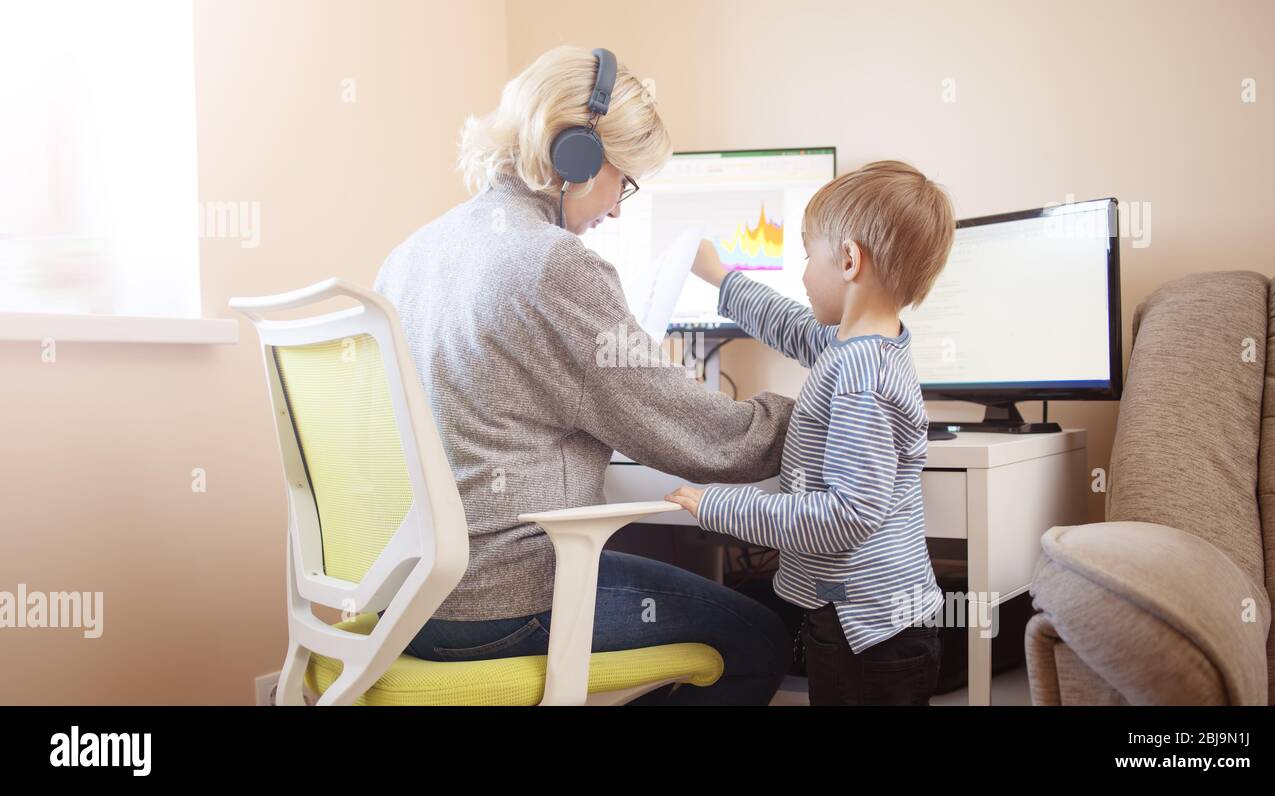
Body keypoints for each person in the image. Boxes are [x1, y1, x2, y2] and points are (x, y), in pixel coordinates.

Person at [373, 46, 792, 704]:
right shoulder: (551, 264)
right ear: (574, 155)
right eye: (622, 182)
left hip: (402, 601)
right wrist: (824, 411)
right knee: (761, 637)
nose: (620, 209)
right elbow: (710, 440)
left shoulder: (411, 252)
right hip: (503, 604)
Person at [667, 161, 956, 706]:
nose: (801, 273)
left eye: (806, 255)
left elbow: (845, 515)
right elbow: (788, 322)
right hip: (859, 623)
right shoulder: (856, 345)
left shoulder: (861, 376)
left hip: (872, 638)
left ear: (848, 260)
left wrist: (719, 507)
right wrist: (720, 276)